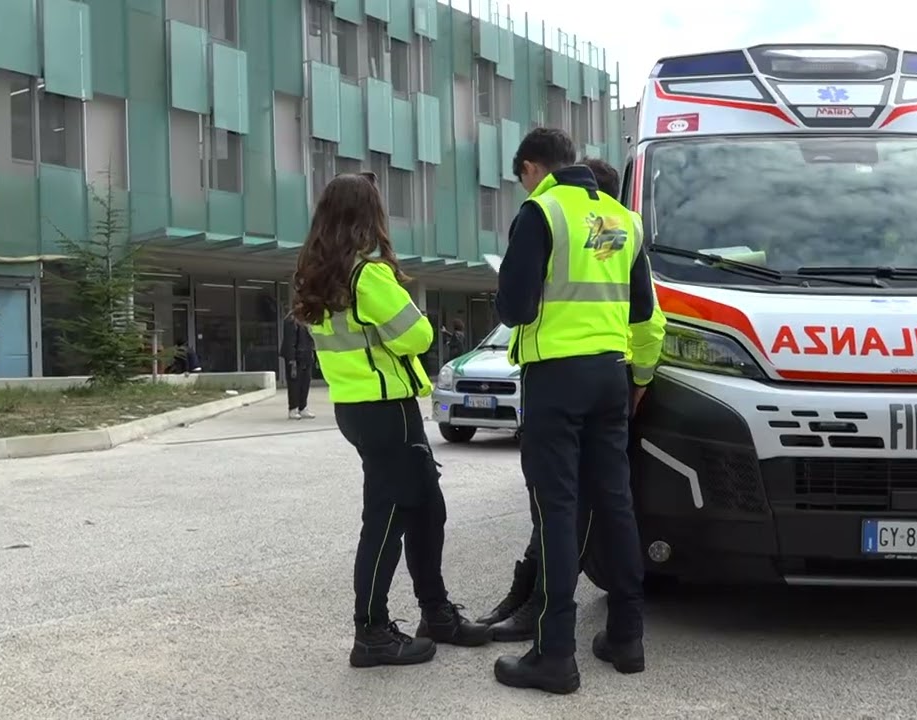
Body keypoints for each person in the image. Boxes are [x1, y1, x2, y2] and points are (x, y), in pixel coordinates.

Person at [291, 172, 490, 670]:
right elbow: (418, 335)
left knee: (426, 508)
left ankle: (435, 613)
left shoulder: (318, 276)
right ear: (369, 217)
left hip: (356, 408)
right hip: (387, 410)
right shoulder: (367, 275)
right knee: (387, 519)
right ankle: (372, 632)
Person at [491, 129, 664, 694]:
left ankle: (555, 654)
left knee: (557, 510)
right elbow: (643, 313)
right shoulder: (623, 220)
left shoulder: (542, 212)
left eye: (522, 176)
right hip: (612, 376)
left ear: (533, 168)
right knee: (616, 504)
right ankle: (627, 637)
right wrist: (637, 378)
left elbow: (515, 309)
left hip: (556, 378)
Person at [280, 313, 316, 419]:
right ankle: (293, 408)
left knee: (305, 382)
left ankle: (302, 407)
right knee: (294, 384)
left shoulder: (307, 320)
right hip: (296, 357)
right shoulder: (291, 320)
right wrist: (292, 359)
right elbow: (289, 341)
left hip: (306, 355)